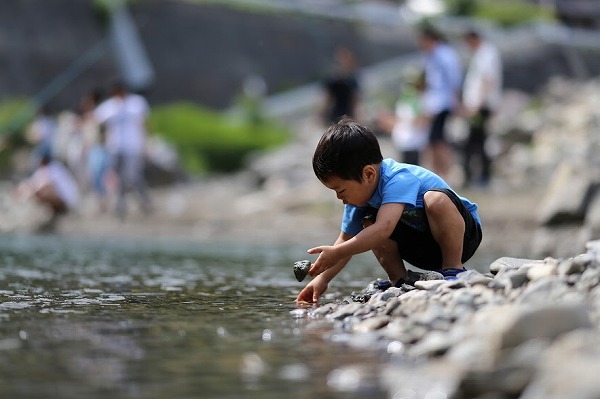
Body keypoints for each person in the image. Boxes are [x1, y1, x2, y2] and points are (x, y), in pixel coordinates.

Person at [296, 118, 482, 304]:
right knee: (369, 223)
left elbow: (384, 228)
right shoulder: (359, 202)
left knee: (435, 200)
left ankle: (453, 268)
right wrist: (321, 280)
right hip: (423, 249)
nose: (339, 198)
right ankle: (399, 280)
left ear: (369, 174)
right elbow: (344, 243)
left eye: (341, 190)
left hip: (463, 237)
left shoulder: (397, 178)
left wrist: (337, 252)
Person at [94, 81, 152, 219]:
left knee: (132, 176)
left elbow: (144, 123)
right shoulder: (109, 106)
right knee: (116, 177)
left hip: (133, 147)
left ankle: (144, 201)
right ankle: (121, 206)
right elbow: (97, 122)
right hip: (115, 147)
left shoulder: (136, 103)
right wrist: (102, 139)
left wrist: (146, 143)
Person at [418, 26, 463, 179]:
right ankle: (439, 172)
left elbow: (453, 79)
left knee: (438, 140)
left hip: (443, 103)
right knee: (434, 139)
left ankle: (444, 173)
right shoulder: (432, 56)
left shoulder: (444, 54)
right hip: (435, 104)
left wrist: (455, 101)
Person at [461, 29, 503, 188]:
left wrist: (477, 105)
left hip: (480, 107)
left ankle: (477, 176)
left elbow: (487, 80)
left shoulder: (487, 53)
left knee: (475, 142)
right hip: (477, 106)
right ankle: (477, 176)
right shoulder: (481, 54)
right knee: (477, 141)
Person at [377, 69, 429, 165]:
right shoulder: (415, 98)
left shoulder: (404, 98)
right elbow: (420, 120)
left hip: (404, 141)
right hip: (412, 142)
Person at [15, 151, 79, 228]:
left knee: (43, 191)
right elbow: (34, 182)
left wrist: (28, 191)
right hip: (69, 200)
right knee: (40, 191)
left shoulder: (52, 169)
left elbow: (43, 185)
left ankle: (55, 212)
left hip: (68, 201)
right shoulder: (53, 168)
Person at [321, 47, 361, 125]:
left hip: (348, 115)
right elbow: (327, 98)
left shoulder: (352, 79)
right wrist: (322, 114)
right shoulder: (333, 79)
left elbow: (355, 100)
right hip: (336, 114)